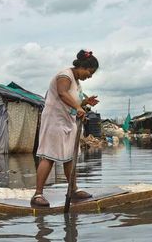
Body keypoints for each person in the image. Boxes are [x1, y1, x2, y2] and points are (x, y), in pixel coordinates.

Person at [31, 50, 99, 207]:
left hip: (67, 121)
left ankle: (73, 190)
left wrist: (84, 103)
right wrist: (78, 106)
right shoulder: (65, 76)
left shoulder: (76, 83)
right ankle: (38, 194)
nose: (90, 76)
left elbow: (73, 102)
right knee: (48, 155)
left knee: (70, 156)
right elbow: (62, 94)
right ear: (82, 66)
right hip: (54, 121)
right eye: (89, 72)